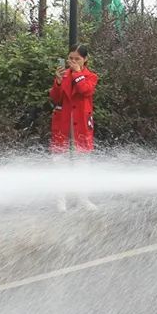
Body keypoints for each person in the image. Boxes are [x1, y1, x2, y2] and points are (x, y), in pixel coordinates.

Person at [50, 44, 99, 212]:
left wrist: (78, 74)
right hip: (63, 122)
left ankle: (83, 200)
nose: (72, 61)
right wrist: (57, 82)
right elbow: (55, 99)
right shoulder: (63, 75)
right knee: (60, 162)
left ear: (85, 59)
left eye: (77, 58)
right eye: (70, 58)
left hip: (81, 124)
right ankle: (60, 201)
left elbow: (86, 90)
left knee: (82, 163)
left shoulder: (90, 76)